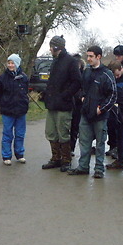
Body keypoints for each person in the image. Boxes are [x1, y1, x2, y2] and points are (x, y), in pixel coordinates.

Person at [68, 46, 117, 178]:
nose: (88, 59)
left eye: (91, 56)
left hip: (100, 115)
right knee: (84, 142)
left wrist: (101, 109)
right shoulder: (87, 72)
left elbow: (113, 95)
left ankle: (99, 169)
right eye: (87, 56)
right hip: (85, 113)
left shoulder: (107, 74)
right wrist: (82, 97)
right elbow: (81, 87)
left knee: (100, 143)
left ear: (98, 57)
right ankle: (83, 167)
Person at [42, 35, 82, 172]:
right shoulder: (55, 61)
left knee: (63, 133)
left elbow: (77, 82)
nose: (50, 49)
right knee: (51, 132)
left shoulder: (70, 61)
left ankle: (66, 160)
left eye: (51, 46)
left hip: (64, 105)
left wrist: (65, 95)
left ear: (56, 47)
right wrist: (46, 94)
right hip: (52, 104)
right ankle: (55, 158)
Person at [0, 54, 29, 166]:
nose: (10, 65)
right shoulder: (1, 79)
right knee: (7, 134)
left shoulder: (24, 77)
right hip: (7, 111)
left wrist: (24, 104)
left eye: (12, 63)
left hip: (21, 111)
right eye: (9, 63)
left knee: (20, 134)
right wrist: (4, 103)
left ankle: (19, 154)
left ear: (17, 64)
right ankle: (6, 156)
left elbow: (25, 92)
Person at [70, 53, 86, 155]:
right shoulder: (69, 74)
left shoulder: (84, 75)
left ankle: (71, 148)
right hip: (70, 103)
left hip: (79, 104)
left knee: (75, 127)